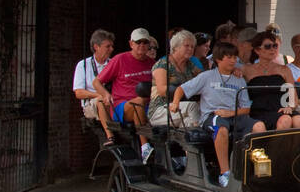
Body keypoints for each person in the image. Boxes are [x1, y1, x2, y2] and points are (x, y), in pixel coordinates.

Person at [173, 41, 253, 184]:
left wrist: (230, 113)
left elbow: (247, 108)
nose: (233, 60)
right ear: (218, 59)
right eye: (229, 57)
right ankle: (225, 173)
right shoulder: (207, 76)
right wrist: (175, 102)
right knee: (221, 128)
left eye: (235, 57)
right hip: (213, 116)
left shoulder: (239, 79)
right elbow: (181, 89)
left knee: (259, 127)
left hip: (234, 115)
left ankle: (254, 170)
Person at [93, 28, 157, 158]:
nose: (142, 45)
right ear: (131, 44)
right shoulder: (120, 59)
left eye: (145, 42)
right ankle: (144, 146)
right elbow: (97, 82)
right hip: (123, 107)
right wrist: (106, 94)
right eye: (138, 42)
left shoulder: (153, 64)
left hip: (149, 106)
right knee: (139, 101)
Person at [244, 30, 300, 131]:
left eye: (275, 46)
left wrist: (290, 107)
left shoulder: (284, 69)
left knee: (298, 120)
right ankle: (276, 147)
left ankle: (298, 147)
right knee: (285, 120)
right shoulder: (246, 70)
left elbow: (293, 96)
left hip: (282, 108)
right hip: (260, 111)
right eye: (268, 46)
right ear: (257, 50)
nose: (272, 49)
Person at [148, 30, 203, 126]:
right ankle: (200, 132)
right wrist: (183, 91)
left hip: (181, 109)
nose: (190, 49)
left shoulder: (190, 65)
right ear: (176, 47)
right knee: (193, 106)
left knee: (188, 123)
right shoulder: (163, 64)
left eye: (192, 47)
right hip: (161, 110)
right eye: (187, 46)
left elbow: (205, 78)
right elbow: (162, 90)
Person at [73, 29, 115, 138]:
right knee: (100, 101)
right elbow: (78, 93)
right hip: (91, 106)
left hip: (112, 103)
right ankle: (110, 136)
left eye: (111, 46)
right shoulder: (83, 65)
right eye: (108, 46)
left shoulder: (113, 64)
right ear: (96, 47)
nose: (111, 49)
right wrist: (98, 95)